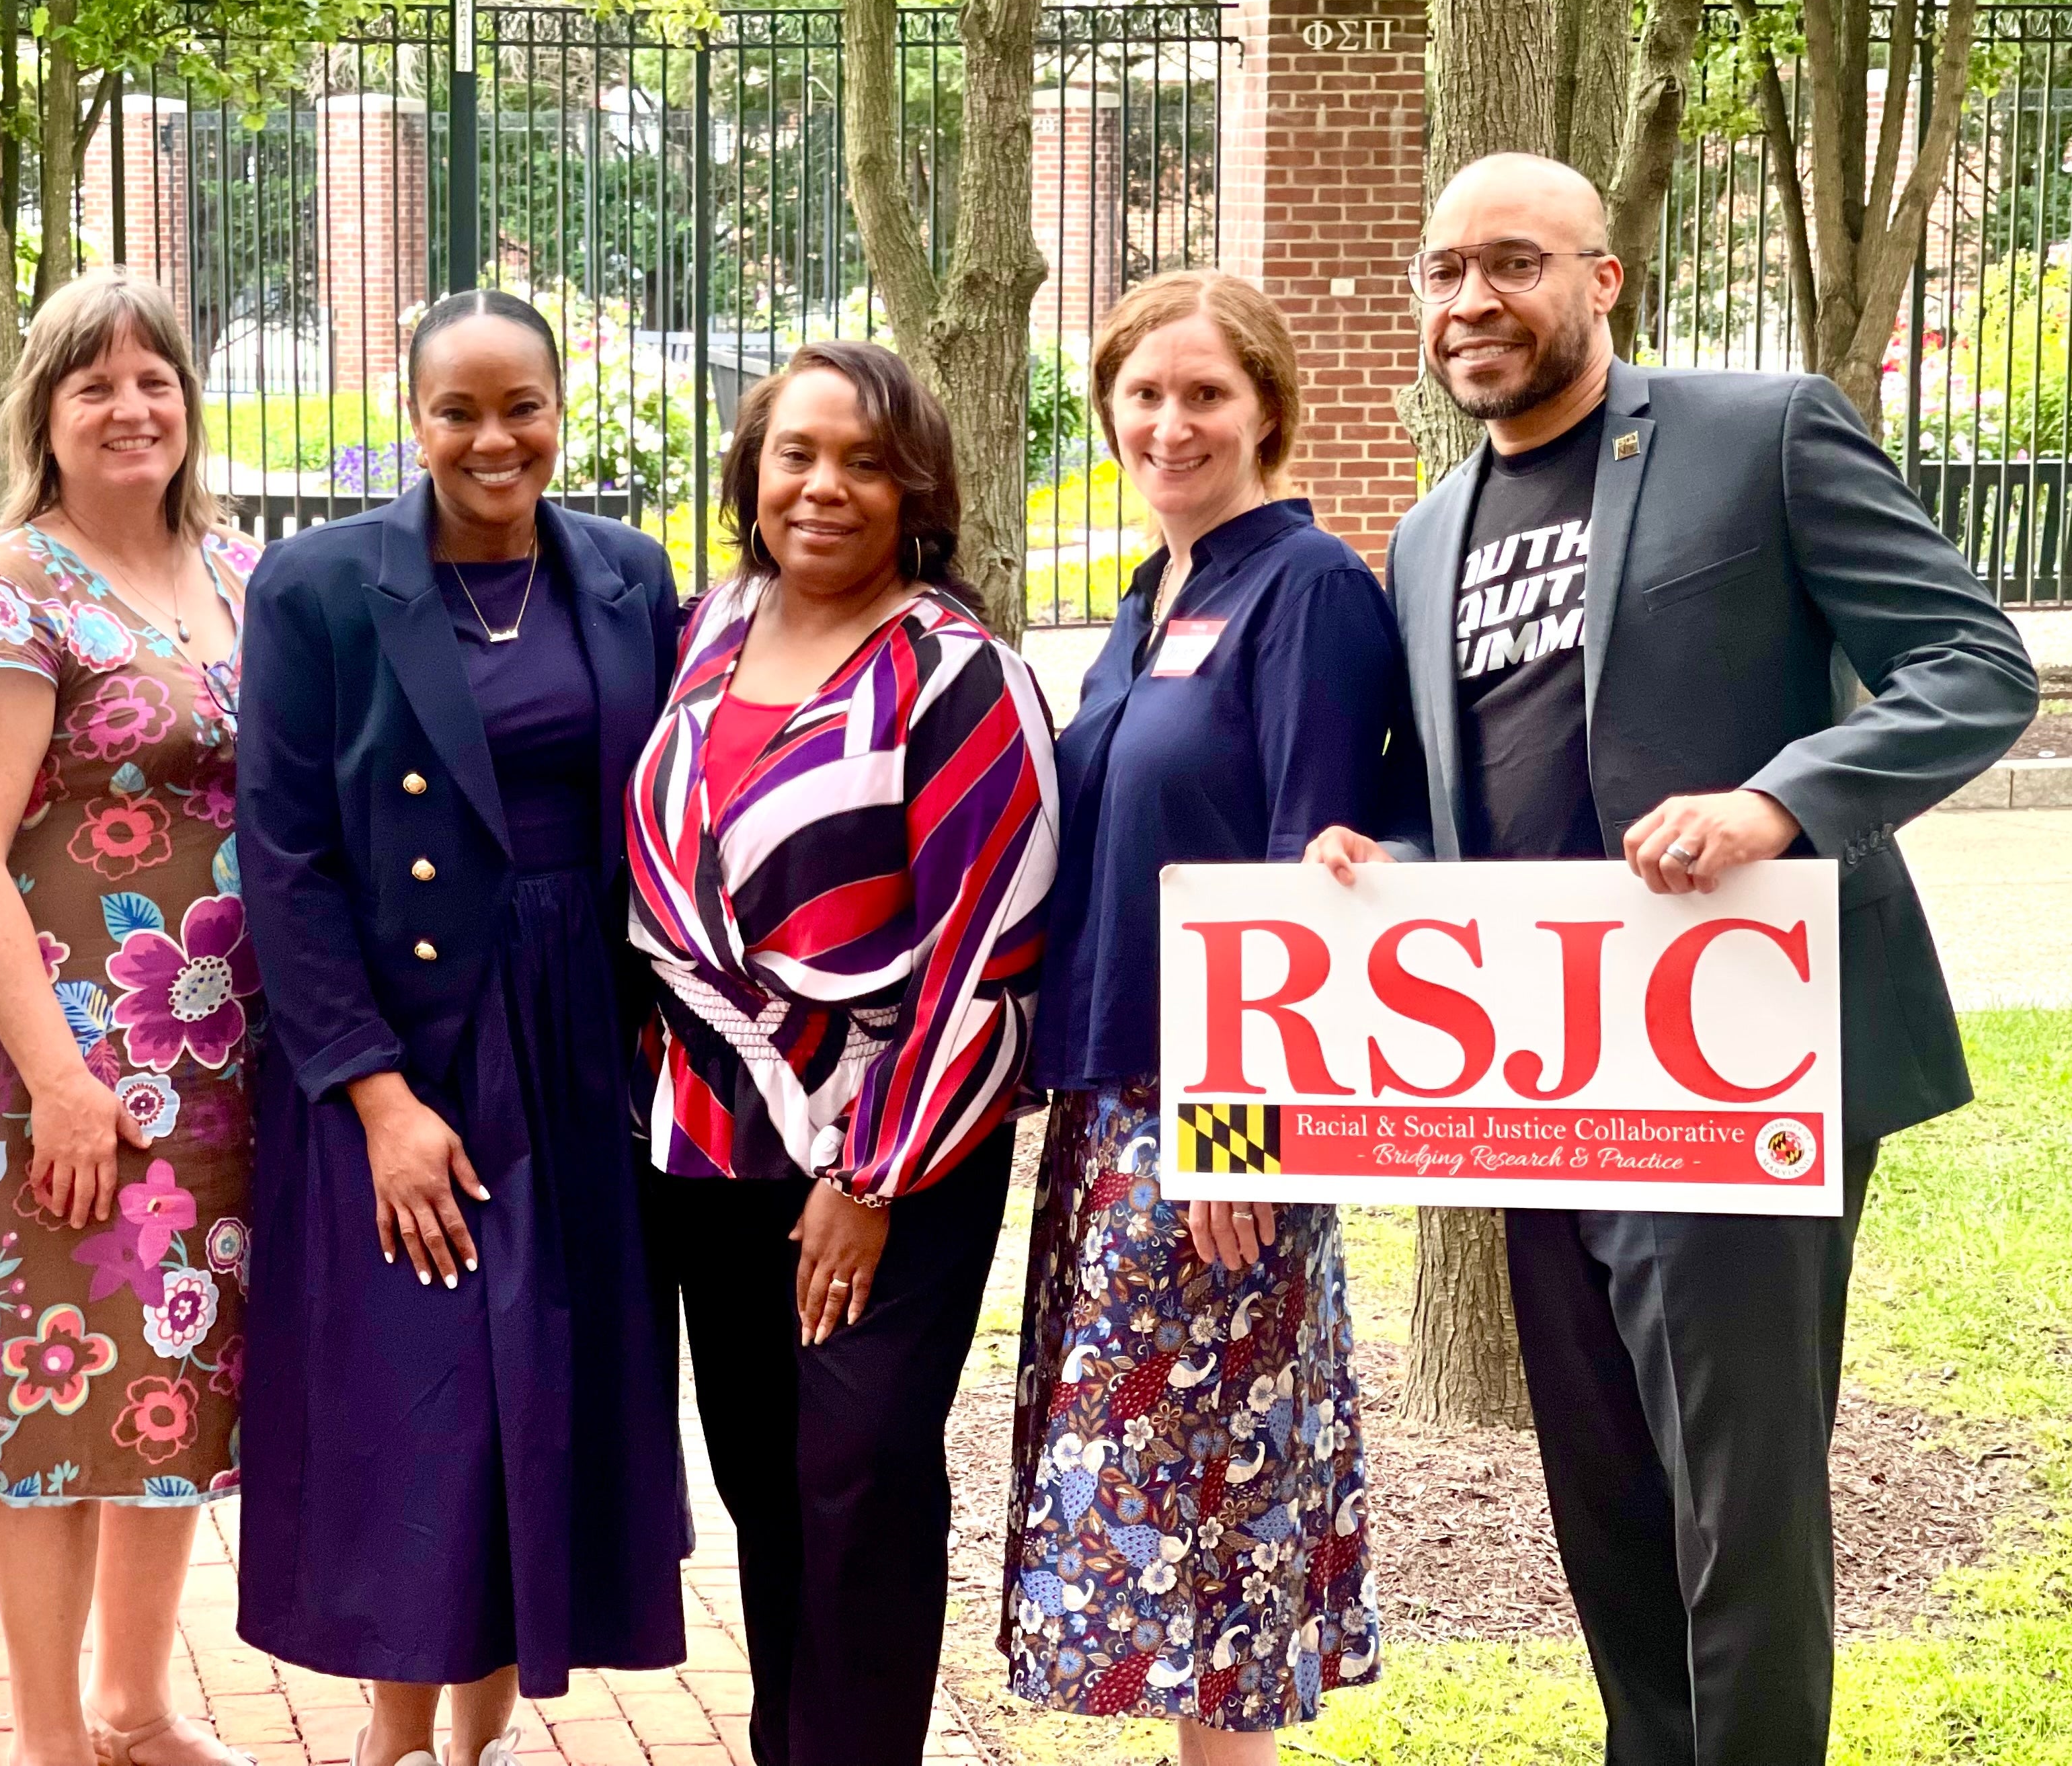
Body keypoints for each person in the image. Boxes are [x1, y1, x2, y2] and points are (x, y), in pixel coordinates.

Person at [1306, 153, 2040, 1766]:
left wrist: (1779, 802)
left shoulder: (1754, 433)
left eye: (1512, 263)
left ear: (1602, 277)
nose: (1469, 301)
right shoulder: (1427, 534)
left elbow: (1974, 666)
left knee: (1739, 1504)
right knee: (1605, 1496)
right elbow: (1477, 801)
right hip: (1543, 1073)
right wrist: (1384, 862)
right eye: (1442, 272)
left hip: (1740, 1056)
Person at [234, 288, 689, 1766]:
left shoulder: (628, 575)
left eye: (522, 407)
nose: (494, 439)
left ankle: (482, 1741)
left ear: (562, 409)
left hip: (583, 1045)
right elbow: (284, 857)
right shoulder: (317, 585)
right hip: (410, 1043)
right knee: (423, 1397)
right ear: (411, 418)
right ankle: (390, 1744)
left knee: (553, 1383)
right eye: (459, 411)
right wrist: (374, 1098)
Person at [627, 339, 1059, 1766]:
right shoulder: (701, 633)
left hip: (888, 1153)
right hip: (703, 1142)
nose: (823, 487)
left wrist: (871, 1174)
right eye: (796, 454)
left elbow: (987, 957)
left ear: (916, 489)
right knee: (763, 1480)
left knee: (859, 1475)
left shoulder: (957, 672)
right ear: (750, 474)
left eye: (864, 461)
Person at [1000, 270, 1396, 1760]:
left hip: (1207, 1116)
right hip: (1112, 1114)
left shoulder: (1305, 590)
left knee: (1213, 1536)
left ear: (1268, 410)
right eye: (1144, 394)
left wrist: (1241, 1140)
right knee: (1159, 1507)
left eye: (1205, 393)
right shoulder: (1149, 599)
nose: (1170, 422)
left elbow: (1313, 874)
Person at [0, 268, 259, 1766]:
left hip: (222, 1060)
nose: (131, 408)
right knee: (58, 1390)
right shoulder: (17, 589)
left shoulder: (244, 573)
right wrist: (57, 1082)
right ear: (44, 418)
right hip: (65, 1062)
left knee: (167, 1375)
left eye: (155, 379)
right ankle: (52, 1738)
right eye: (94, 384)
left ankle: (135, 1708)